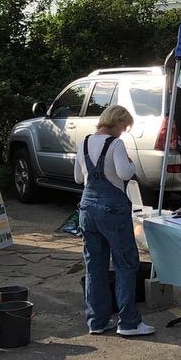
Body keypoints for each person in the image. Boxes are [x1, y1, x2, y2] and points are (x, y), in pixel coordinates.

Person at [74, 104, 153, 337]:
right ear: (117, 122)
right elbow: (125, 173)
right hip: (112, 210)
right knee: (125, 263)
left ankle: (96, 321)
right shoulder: (115, 144)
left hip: (87, 209)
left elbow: (79, 178)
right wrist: (132, 162)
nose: (124, 131)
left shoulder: (84, 142)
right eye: (124, 126)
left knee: (94, 266)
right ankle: (128, 322)